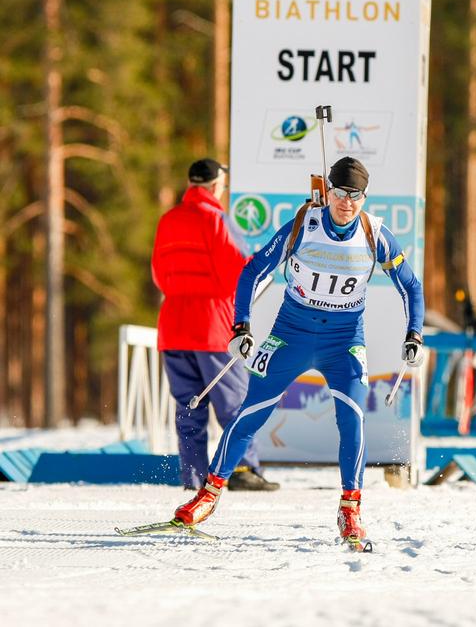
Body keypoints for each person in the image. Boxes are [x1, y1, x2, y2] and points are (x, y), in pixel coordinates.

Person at [171, 157, 425, 549]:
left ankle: (350, 509)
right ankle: (208, 496)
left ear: (364, 197)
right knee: (251, 413)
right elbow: (253, 271)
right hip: (291, 335)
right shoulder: (303, 226)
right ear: (328, 192)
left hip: (344, 342)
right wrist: (241, 326)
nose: (347, 203)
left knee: (353, 419)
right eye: (340, 193)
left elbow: (411, 286)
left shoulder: (376, 233)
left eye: (355, 196)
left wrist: (414, 335)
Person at [151, 158, 277, 492]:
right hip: (211, 326)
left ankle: (194, 477)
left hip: (173, 326)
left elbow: (158, 275)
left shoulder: (167, 220)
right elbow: (238, 271)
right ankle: (243, 469)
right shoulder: (216, 220)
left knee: (188, 407)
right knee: (234, 403)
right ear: (214, 186)